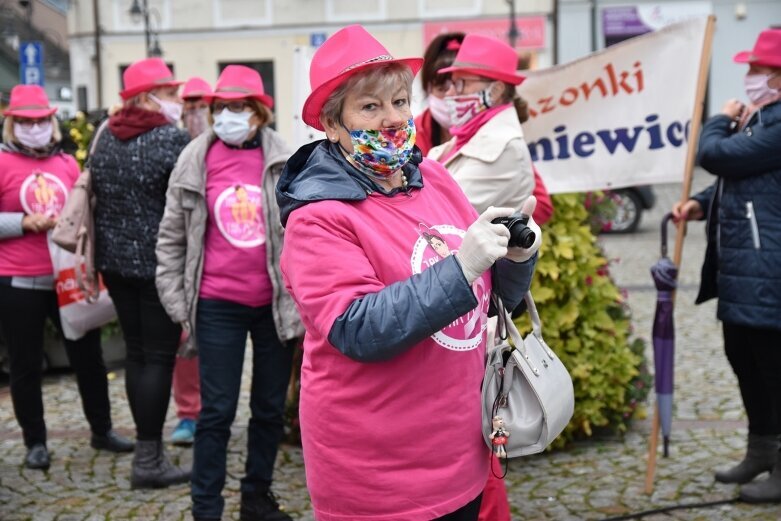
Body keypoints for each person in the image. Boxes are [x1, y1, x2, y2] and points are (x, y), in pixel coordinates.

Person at [276, 25, 542, 520]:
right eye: (370, 107)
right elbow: (358, 328)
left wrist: (516, 256)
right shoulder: (318, 216)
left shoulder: (434, 177)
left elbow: (485, 298)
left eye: (399, 101)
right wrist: (462, 266)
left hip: (459, 453)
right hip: (378, 473)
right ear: (332, 126)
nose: (393, 119)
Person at [156, 65, 302, 521]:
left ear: (258, 113)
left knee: (267, 409)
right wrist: (177, 302)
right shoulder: (194, 158)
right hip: (216, 303)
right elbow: (171, 237)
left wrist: (302, 299)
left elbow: (307, 233)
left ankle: (256, 497)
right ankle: (206, 505)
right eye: (222, 107)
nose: (228, 115)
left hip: (274, 305)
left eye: (238, 107)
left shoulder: (285, 156)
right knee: (215, 411)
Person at [672, 28, 781, 504]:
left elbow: (716, 156)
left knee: (774, 372)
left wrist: (717, 120)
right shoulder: (762, 118)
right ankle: (761, 450)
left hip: (769, 271)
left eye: (756, 68)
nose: (749, 75)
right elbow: (742, 179)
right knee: (745, 362)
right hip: (743, 269)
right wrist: (699, 203)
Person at [0, 85, 133, 470]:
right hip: (17, 280)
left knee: (88, 358)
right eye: (25, 121)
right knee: (26, 365)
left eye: (41, 120)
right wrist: (23, 222)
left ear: (52, 121)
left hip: (68, 278)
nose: (35, 127)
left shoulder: (66, 164)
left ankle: (101, 429)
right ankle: (35, 441)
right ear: (12, 124)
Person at [89, 57, 191, 489]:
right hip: (158, 267)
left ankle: (148, 450)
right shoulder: (171, 140)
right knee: (159, 358)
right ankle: (149, 460)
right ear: (148, 98)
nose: (178, 102)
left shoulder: (104, 139)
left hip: (114, 264)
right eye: (170, 94)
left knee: (136, 354)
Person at [168, 76, 213, 447]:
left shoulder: (223, 145)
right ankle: (188, 413)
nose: (195, 112)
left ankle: (214, 411)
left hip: (222, 261)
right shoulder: (172, 143)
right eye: (190, 105)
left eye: (202, 105)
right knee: (186, 341)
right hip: (187, 259)